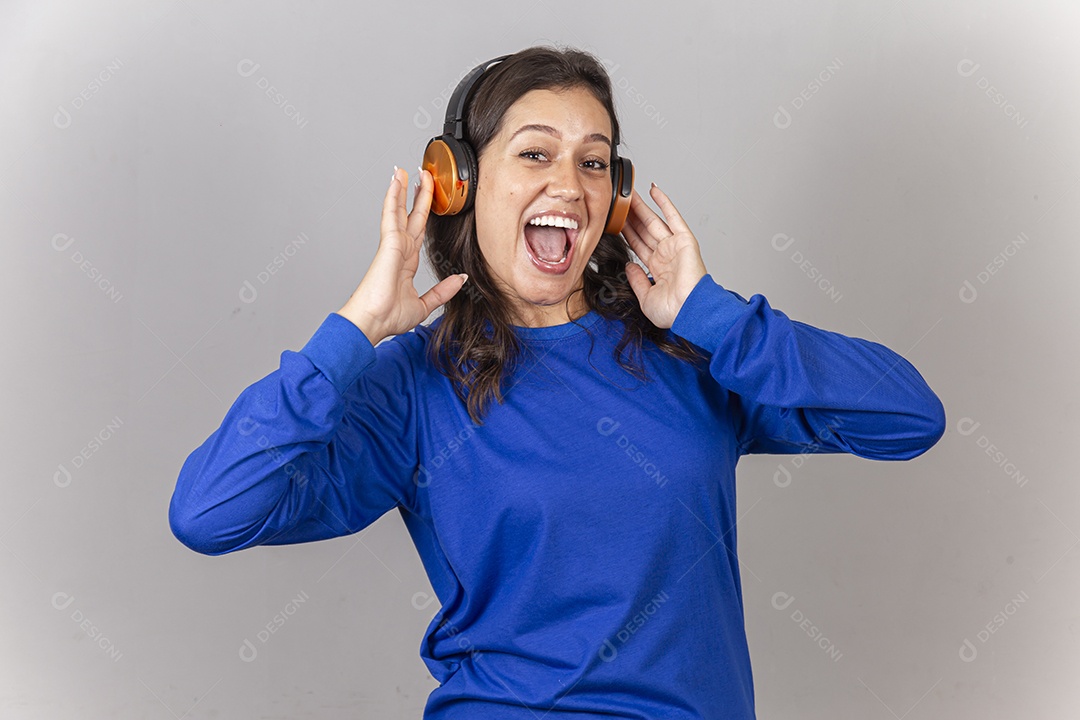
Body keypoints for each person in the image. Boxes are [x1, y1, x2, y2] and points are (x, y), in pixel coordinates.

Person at [169, 45, 946, 720]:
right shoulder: (411, 384)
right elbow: (211, 512)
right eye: (536, 154)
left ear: (616, 196)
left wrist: (714, 316)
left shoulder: (689, 353)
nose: (570, 184)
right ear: (462, 184)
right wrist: (354, 331)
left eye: (595, 161)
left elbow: (908, 416)